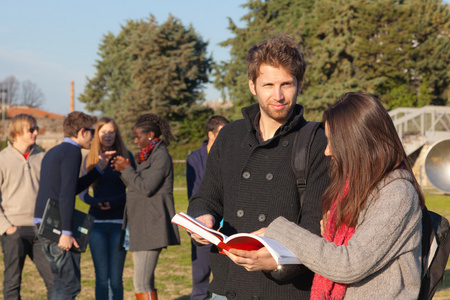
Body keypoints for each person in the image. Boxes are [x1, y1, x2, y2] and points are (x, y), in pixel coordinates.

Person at [229, 92, 424, 299]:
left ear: (357, 141)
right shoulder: (354, 187)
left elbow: (348, 265)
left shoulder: (396, 194)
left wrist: (279, 230)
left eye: (333, 142)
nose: (327, 151)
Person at [187, 36, 330, 299]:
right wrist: (202, 219)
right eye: (268, 85)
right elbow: (207, 197)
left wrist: (277, 263)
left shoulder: (316, 141)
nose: (278, 96)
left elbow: (315, 228)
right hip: (228, 287)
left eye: (286, 84)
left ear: (299, 85)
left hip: (288, 289)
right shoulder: (230, 136)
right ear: (253, 86)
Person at [34, 111, 113, 300]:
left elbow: (69, 187)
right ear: (81, 131)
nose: (94, 137)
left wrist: (98, 171)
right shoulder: (72, 152)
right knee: (69, 285)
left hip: (44, 222)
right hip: (57, 226)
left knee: (61, 282)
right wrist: (67, 233)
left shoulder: (55, 151)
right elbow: (66, 194)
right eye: (92, 132)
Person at [112, 113, 180, 300]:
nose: (135, 141)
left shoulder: (161, 156)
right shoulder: (147, 155)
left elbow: (146, 187)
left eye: (138, 137)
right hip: (141, 224)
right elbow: (137, 184)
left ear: (150, 135)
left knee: (142, 282)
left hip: (151, 225)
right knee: (142, 281)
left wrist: (126, 169)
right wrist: (124, 169)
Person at [79, 117, 135, 300]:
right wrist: (96, 203)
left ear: (116, 133)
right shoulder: (90, 158)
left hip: (120, 223)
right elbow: (81, 193)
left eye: (111, 131)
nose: (108, 135)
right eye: (103, 131)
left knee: (116, 279)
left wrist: (115, 202)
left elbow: (135, 190)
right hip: (96, 224)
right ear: (97, 135)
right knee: (102, 279)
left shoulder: (126, 157)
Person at [0, 114, 53, 299]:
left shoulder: (44, 158)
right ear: (17, 131)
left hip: (41, 230)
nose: (36, 132)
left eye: (36, 128)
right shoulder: (2, 159)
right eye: (31, 129)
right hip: (14, 231)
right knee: (12, 284)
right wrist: (8, 228)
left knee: (56, 281)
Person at [186, 115, 229, 300]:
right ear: (211, 134)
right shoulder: (195, 158)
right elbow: (195, 192)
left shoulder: (232, 154)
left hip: (227, 225)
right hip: (205, 223)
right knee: (201, 277)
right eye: (222, 132)